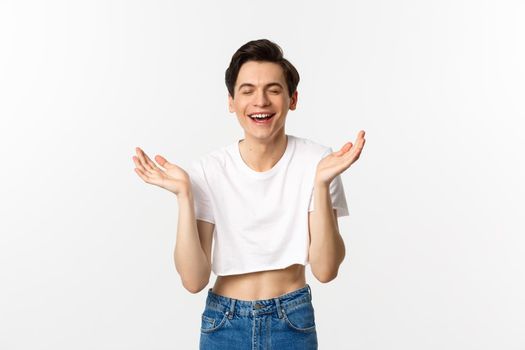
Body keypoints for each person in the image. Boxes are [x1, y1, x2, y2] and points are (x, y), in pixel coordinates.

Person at [132, 38, 366, 350]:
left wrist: (322, 184)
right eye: (247, 90)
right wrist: (184, 196)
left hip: (291, 322)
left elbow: (325, 270)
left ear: (292, 98)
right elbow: (193, 280)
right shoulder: (208, 170)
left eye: (273, 89)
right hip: (224, 322)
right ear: (231, 101)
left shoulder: (319, 163)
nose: (261, 101)